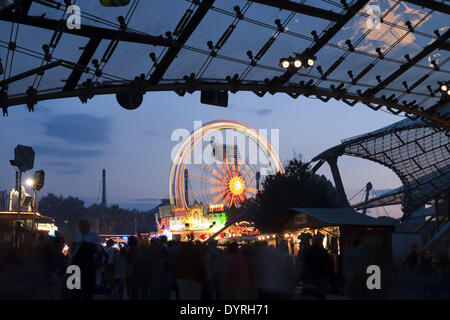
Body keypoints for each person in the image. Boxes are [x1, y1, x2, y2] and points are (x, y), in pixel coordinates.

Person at [71, 219, 101, 300]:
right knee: (75, 288)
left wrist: (84, 244)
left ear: (88, 226)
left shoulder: (94, 235)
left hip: (88, 264)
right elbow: (74, 247)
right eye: (80, 226)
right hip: (76, 262)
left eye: (83, 226)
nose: (81, 228)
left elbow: (97, 248)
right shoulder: (78, 235)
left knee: (87, 288)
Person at [300, 233, 333, 300]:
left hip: (309, 279)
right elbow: (329, 267)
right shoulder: (324, 252)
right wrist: (329, 280)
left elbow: (303, 265)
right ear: (320, 241)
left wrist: (302, 278)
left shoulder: (307, 251)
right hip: (321, 280)